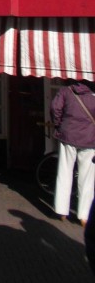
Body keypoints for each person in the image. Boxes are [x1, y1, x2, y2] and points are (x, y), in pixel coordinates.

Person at [50, 79, 95, 226]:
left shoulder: (66, 91)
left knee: (64, 172)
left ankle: (61, 210)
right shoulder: (93, 94)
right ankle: (84, 215)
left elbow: (55, 108)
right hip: (90, 139)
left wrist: (59, 125)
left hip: (68, 136)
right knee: (87, 178)